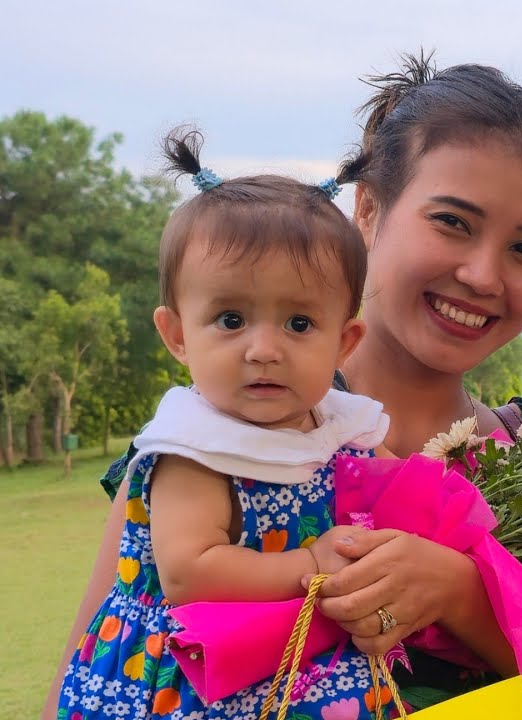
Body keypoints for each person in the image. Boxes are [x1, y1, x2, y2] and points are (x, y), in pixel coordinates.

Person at [44, 56, 522, 720]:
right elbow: (90, 679)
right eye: (452, 222)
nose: (481, 274)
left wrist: (460, 595)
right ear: (369, 211)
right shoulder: (213, 442)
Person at [56, 129, 391, 718]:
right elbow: (191, 572)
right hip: (189, 675)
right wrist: (310, 567)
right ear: (178, 335)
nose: (263, 349)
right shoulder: (193, 447)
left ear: (345, 341)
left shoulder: (338, 424)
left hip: (295, 660)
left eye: (299, 324)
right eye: (231, 318)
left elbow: (401, 489)